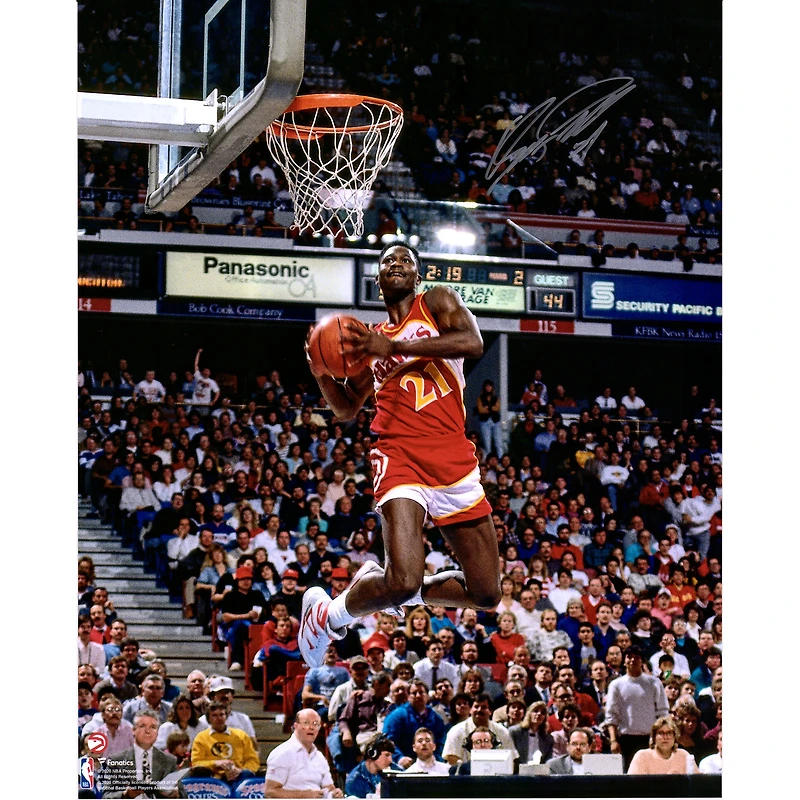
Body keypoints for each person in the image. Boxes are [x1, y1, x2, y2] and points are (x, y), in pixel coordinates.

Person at [299, 243, 501, 667]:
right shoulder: (368, 341)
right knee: (403, 576)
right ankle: (328, 616)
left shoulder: (437, 303)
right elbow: (346, 409)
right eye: (388, 260)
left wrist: (393, 350)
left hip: (453, 459)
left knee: (486, 593)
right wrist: (320, 372)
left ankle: (391, 589)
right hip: (398, 456)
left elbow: (473, 341)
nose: (396, 264)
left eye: (405, 260)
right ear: (378, 281)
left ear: (417, 275)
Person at [605, 645, 670, 770]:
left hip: (650, 739)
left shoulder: (654, 683)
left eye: (637, 657)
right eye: (629, 657)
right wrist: (613, 741)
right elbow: (612, 715)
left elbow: (663, 712)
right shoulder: (616, 685)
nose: (633, 660)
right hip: (626, 739)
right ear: (624, 661)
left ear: (642, 661)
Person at [100, 709, 183, 798]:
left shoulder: (169, 762)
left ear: (157, 732)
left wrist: (176, 795)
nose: (148, 731)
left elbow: (183, 795)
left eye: (153, 727)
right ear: (133, 730)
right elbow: (106, 797)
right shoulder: (116, 761)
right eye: (142, 726)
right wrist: (126, 794)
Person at [265, 708, 344, 798]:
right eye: (306, 723)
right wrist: (304, 795)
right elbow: (270, 792)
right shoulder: (281, 753)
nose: (311, 727)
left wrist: (336, 792)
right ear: (295, 726)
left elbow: (329, 788)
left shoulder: (319, 757)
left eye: (315, 724)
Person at [190, 701, 260, 786]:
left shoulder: (241, 735)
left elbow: (253, 760)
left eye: (221, 715)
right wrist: (215, 763)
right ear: (209, 719)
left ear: (226, 716)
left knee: (247, 775)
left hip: (239, 775)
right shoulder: (201, 737)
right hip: (213, 778)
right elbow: (196, 763)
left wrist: (240, 771)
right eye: (214, 715)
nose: (219, 718)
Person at [442, 693, 517, 765]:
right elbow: (451, 757)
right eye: (476, 707)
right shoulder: (456, 731)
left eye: (484, 707)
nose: (479, 710)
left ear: (491, 711)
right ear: (470, 710)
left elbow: (512, 758)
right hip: (465, 776)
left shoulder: (502, 732)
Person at [627, 715, 700, 775]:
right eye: (661, 733)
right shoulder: (642, 756)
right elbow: (633, 785)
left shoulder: (684, 755)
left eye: (669, 733)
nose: (665, 737)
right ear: (654, 737)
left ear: (675, 737)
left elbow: (697, 783)